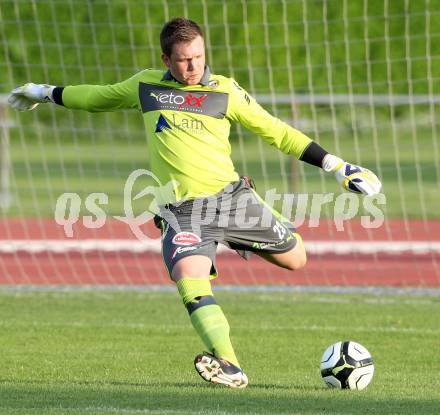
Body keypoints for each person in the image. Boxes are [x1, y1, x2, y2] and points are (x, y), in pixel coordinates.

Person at [8, 17, 381, 388]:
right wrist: (44, 92)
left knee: (297, 259)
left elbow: (277, 132)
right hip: (184, 213)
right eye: (184, 59)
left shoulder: (225, 91)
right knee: (190, 278)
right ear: (166, 59)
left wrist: (336, 165)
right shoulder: (146, 87)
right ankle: (230, 365)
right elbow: (95, 98)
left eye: (199, 57)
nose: (193, 66)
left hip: (233, 200)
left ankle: (247, 233)